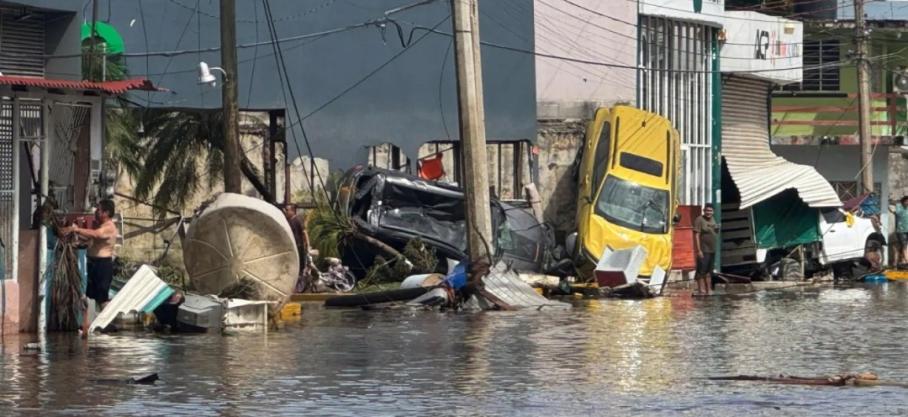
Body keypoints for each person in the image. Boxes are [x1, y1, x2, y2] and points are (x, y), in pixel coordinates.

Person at [65, 199, 118, 334]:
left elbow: (96, 235)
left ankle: (109, 324)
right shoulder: (100, 226)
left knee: (102, 297)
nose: (96, 212)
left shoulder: (109, 227)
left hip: (103, 265)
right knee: (89, 294)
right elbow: (91, 240)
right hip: (93, 264)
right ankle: (86, 323)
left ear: (106, 213)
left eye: (99, 210)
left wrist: (77, 229)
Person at [282, 203, 310, 290]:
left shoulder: (297, 220)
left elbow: (304, 232)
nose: (286, 211)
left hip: (298, 246)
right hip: (292, 247)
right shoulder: (289, 221)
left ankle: (300, 286)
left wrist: (308, 245)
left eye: (287, 210)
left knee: (300, 266)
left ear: (292, 211)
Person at [693, 205, 719, 296]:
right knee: (701, 270)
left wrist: (717, 229)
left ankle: (709, 289)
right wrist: (698, 250)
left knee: (709, 271)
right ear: (704, 211)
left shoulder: (713, 219)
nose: (709, 212)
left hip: (712, 249)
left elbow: (714, 232)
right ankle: (701, 290)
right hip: (704, 249)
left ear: (713, 212)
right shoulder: (699, 219)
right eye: (707, 210)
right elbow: (696, 235)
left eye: (711, 211)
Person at [893, 196, 908, 267]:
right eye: (906, 201)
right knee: (904, 245)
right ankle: (906, 261)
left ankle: (903, 261)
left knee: (905, 245)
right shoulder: (899, 206)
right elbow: (898, 213)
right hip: (901, 230)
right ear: (903, 201)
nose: (907, 202)